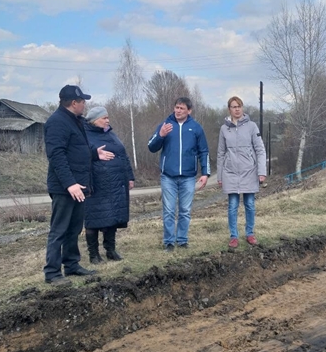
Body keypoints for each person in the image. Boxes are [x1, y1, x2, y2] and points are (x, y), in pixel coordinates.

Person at [43, 85, 114, 287]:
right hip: (65, 187)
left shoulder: (75, 121)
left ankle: (72, 264)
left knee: (74, 228)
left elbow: (77, 149)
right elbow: (57, 156)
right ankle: (52, 272)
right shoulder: (56, 123)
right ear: (74, 103)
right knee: (59, 230)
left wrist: (94, 154)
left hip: (79, 184)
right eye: (83, 101)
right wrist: (70, 184)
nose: (85, 104)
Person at [148, 97, 210, 252]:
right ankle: (169, 241)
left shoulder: (196, 128)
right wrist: (160, 135)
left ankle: (182, 240)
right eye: (176, 107)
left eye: (182, 108)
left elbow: (203, 151)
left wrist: (205, 173)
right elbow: (151, 147)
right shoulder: (165, 126)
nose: (178, 111)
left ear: (189, 110)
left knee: (185, 210)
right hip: (168, 176)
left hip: (188, 177)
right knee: (168, 210)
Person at [83, 106, 135, 264]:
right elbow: (80, 157)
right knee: (93, 218)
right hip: (95, 184)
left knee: (112, 217)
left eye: (108, 117)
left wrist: (130, 177)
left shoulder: (111, 134)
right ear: (93, 120)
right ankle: (93, 254)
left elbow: (123, 155)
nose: (108, 120)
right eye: (104, 118)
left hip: (115, 183)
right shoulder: (84, 135)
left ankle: (110, 250)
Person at [217, 96, 267, 249]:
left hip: (249, 171)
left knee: (250, 204)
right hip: (230, 172)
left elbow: (260, 150)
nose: (237, 109)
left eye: (239, 106)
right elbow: (220, 152)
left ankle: (250, 234)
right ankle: (234, 236)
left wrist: (261, 171)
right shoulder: (224, 129)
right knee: (232, 205)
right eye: (233, 106)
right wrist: (219, 176)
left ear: (242, 108)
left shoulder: (252, 126)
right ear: (229, 109)